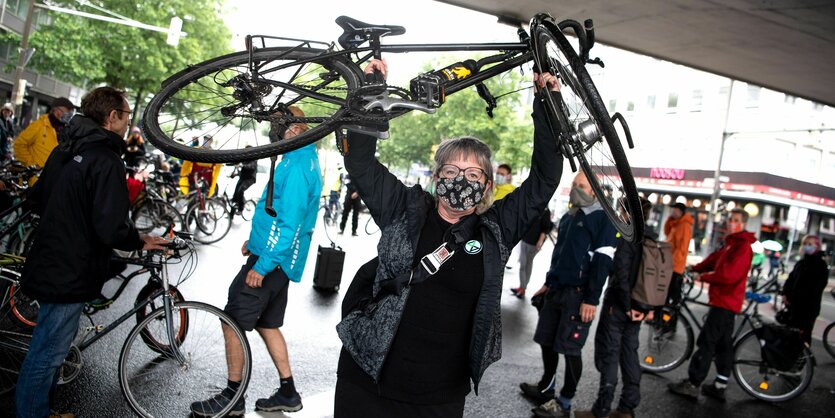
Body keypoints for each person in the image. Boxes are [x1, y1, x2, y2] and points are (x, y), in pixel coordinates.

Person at [333, 60, 563, 418]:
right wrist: (373, 89)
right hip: (366, 383)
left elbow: (543, 181)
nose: (461, 180)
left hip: (439, 398)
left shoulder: (496, 230)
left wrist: (546, 106)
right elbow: (361, 164)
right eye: (451, 170)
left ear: (487, 185)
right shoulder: (402, 208)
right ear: (437, 177)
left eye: (473, 173)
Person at [15, 87, 167, 418]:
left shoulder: (65, 148)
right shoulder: (106, 160)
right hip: (72, 267)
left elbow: (37, 198)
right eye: (126, 115)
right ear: (112, 117)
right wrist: (140, 240)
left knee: (49, 347)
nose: (128, 123)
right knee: (48, 353)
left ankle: (44, 408)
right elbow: (111, 224)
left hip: (49, 257)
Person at [190, 105, 322, 416]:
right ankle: (289, 392)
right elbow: (279, 213)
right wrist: (256, 241)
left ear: (296, 128)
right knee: (267, 324)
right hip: (277, 259)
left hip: (271, 263)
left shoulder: (297, 165)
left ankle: (232, 399)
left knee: (232, 323)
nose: (272, 129)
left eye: (278, 124)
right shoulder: (300, 158)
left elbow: (290, 222)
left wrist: (263, 264)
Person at [527, 171, 618, 418]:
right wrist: (547, 283)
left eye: (582, 185)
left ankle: (564, 403)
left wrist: (591, 299)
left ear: (594, 190)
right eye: (574, 184)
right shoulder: (569, 216)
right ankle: (546, 386)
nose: (576, 188)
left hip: (578, 296)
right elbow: (559, 256)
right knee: (547, 340)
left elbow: (602, 261)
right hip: (556, 290)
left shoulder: (603, 218)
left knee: (570, 348)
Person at [574, 198, 654, 418]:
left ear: (626, 213)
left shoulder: (628, 238)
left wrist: (628, 307)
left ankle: (601, 410)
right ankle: (627, 408)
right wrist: (645, 308)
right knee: (630, 355)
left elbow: (621, 274)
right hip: (640, 308)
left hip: (620, 307)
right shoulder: (652, 238)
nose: (619, 215)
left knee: (609, 355)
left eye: (620, 210)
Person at [668, 208, 755, 402]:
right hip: (724, 302)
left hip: (725, 303)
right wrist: (694, 268)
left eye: (735, 220)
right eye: (730, 219)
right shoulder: (731, 244)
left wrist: (703, 277)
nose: (730, 223)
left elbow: (728, 276)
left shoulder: (742, 247)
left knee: (707, 342)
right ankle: (720, 385)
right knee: (723, 346)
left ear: (743, 224)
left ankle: (693, 384)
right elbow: (712, 261)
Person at [781, 235, 829, 345]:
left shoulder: (820, 266)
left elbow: (816, 288)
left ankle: (803, 360)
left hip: (808, 309)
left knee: (803, 336)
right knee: (790, 336)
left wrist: (796, 298)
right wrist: (785, 294)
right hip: (793, 306)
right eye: (805, 243)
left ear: (817, 246)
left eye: (810, 244)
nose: (807, 246)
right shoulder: (801, 263)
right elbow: (790, 280)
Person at [14, 97, 76, 177]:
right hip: (34, 179)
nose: (68, 116)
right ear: (56, 110)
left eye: (70, 113)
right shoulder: (39, 125)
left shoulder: (65, 130)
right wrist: (31, 165)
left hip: (51, 179)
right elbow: (19, 145)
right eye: (66, 112)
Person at [511, 207, 552, 298]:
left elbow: (545, 229)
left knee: (527, 264)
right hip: (525, 239)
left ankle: (523, 288)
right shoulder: (534, 205)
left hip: (534, 243)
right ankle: (521, 287)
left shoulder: (545, 211)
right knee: (523, 264)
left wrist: (540, 242)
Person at [664, 202, 693, 306]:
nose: (672, 212)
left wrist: (671, 263)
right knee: (665, 293)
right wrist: (670, 219)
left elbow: (682, 248)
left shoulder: (685, 226)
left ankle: (666, 318)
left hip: (675, 267)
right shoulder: (676, 223)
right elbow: (667, 232)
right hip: (671, 263)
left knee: (670, 295)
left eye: (674, 210)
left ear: (680, 212)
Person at [230, 149, 258, 213]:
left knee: (240, 191)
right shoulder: (244, 158)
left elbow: (250, 167)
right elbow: (238, 164)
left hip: (250, 179)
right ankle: (231, 215)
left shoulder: (254, 159)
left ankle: (240, 209)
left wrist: (242, 165)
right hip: (243, 178)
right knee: (235, 195)